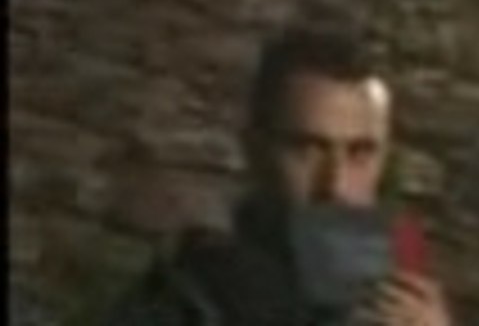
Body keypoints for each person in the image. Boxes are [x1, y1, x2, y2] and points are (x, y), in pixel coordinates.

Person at [106, 25, 451, 326]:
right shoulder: (183, 299)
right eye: (307, 150)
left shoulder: (402, 297)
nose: (335, 186)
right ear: (254, 151)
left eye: (360, 153)